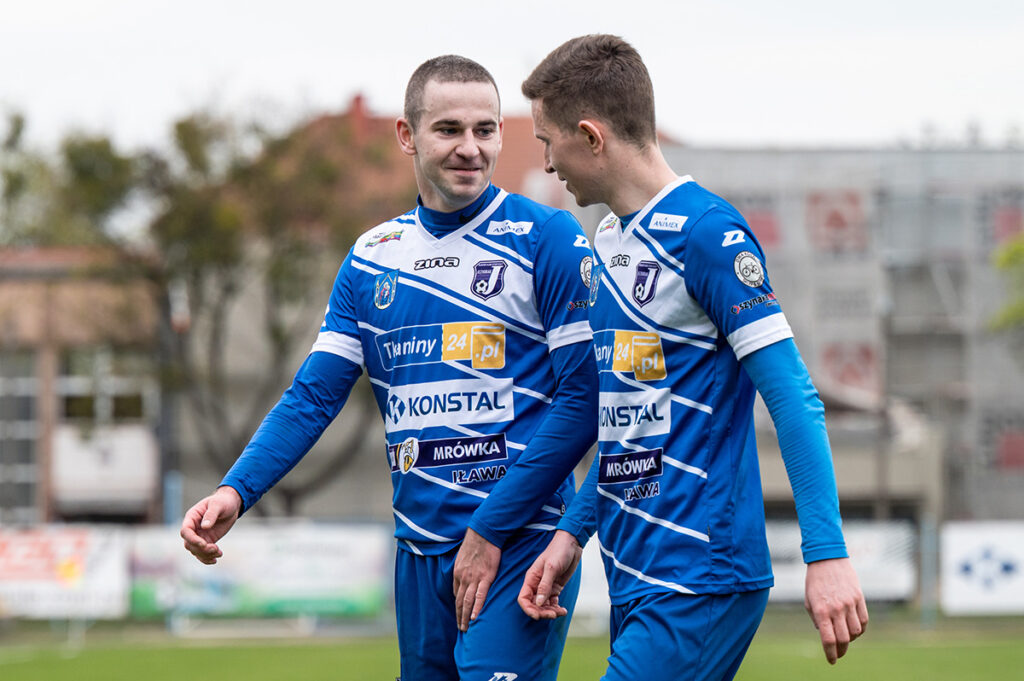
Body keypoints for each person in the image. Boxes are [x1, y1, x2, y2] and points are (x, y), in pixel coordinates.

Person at [180, 55, 599, 681]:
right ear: (407, 135)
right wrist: (235, 490)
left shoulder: (547, 237)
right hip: (418, 553)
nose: (470, 148)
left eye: (485, 130)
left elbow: (586, 400)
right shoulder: (372, 257)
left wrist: (490, 529)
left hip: (519, 541)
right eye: (449, 129)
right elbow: (313, 397)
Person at [516, 35, 869, 680]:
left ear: (590, 137)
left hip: (700, 571)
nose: (545, 160)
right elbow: (630, 422)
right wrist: (573, 532)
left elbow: (793, 396)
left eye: (547, 140)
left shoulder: (708, 233)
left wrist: (827, 553)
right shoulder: (610, 240)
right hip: (635, 573)